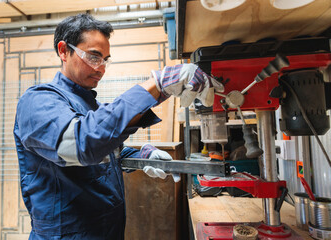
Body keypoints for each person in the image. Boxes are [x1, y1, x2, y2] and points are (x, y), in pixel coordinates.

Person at [13, 13, 218, 239]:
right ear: (63, 51)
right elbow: (82, 144)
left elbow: (105, 154)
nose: (101, 68)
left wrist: (141, 154)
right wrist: (158, 84)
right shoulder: (38, 101)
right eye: (93, 57)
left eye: (105, 59)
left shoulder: (90, 106)